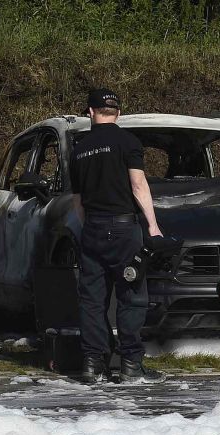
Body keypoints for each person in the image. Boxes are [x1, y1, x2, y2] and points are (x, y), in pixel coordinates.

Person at [70, 88, 166, 384]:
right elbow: (138, 185)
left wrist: (88, 227)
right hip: (124, 230)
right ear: (119, 113)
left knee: (92, 300)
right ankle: (130, 366)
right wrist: (153, 226)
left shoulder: (79, 149)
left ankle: (92, 364)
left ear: (90, 112)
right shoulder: (128, 142)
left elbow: (77, 201)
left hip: (93, 229)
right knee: (131, 297)